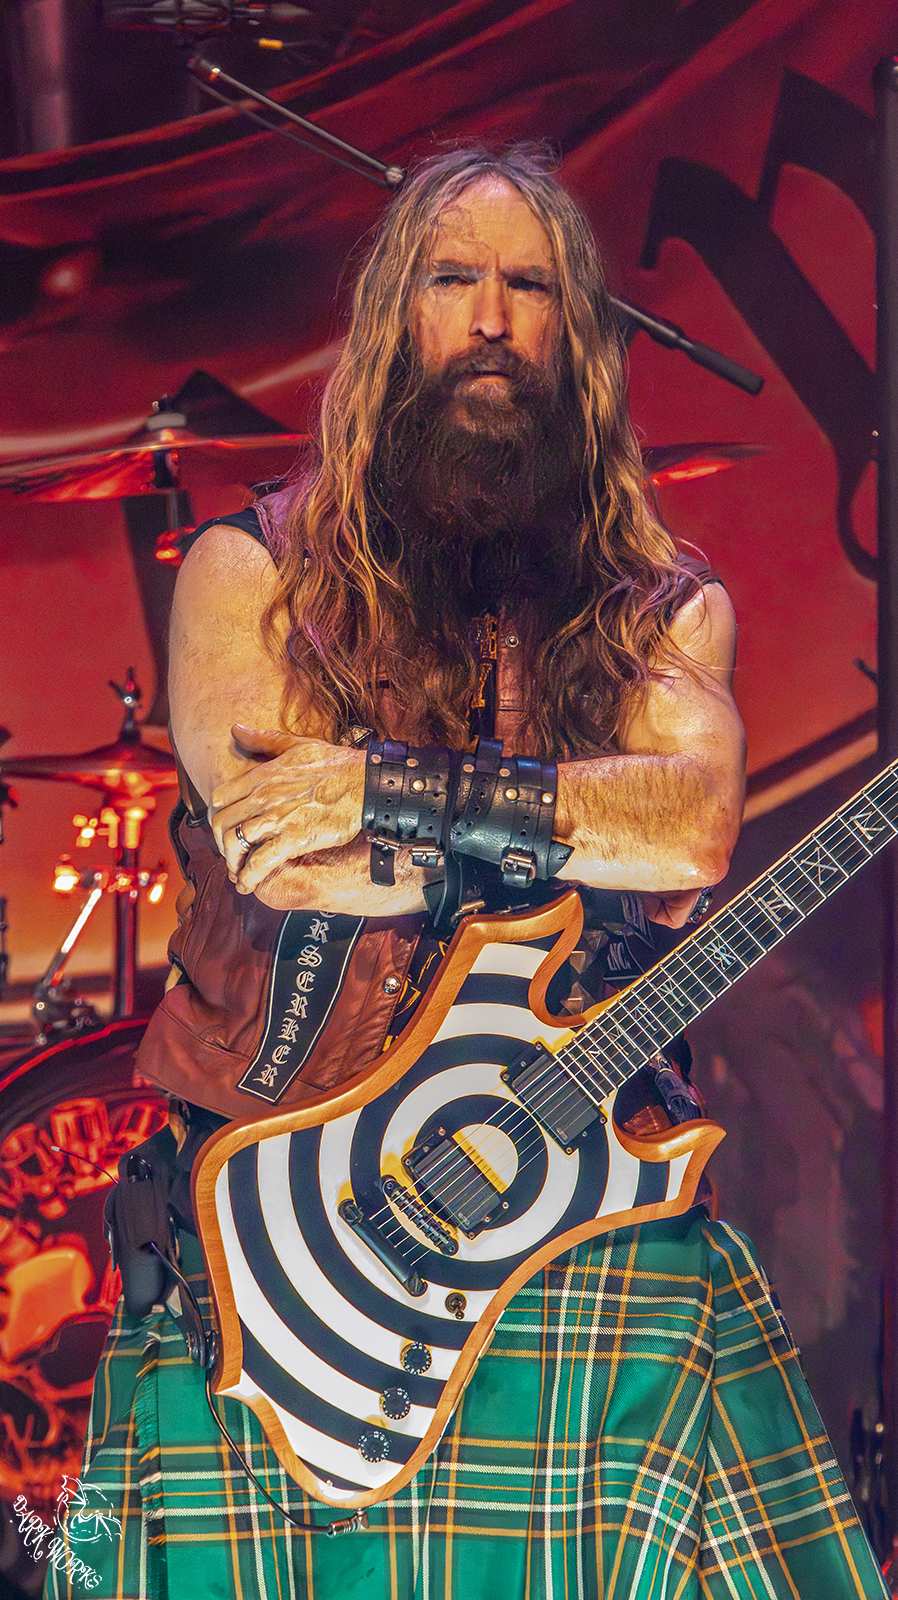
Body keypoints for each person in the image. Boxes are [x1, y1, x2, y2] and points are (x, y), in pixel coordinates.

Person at [50, 145, 888, 1599]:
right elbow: (284, 853)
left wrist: (381, 791)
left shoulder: (663, 610)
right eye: (454, 280)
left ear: (579, 338)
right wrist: (564, 821)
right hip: (279, 1211)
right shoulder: (249, 575)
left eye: (530, 287)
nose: (493, 320)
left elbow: (688, 828)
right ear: (393, 319)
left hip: (576, 1222)